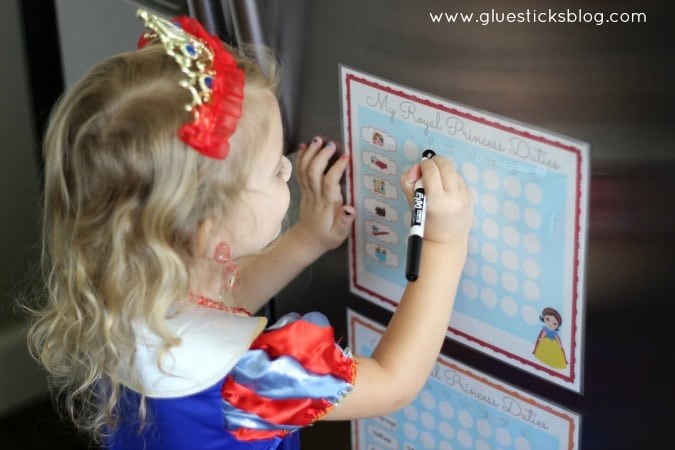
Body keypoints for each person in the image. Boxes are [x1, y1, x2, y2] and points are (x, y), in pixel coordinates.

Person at [26, 9, 473, 450]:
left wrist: (306, 239)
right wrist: (442, 242)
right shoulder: (252, 377)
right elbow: (393, 383)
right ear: (210, 232)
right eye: (274, 171)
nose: (287, 166)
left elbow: (218, 308)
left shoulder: (118, 286)